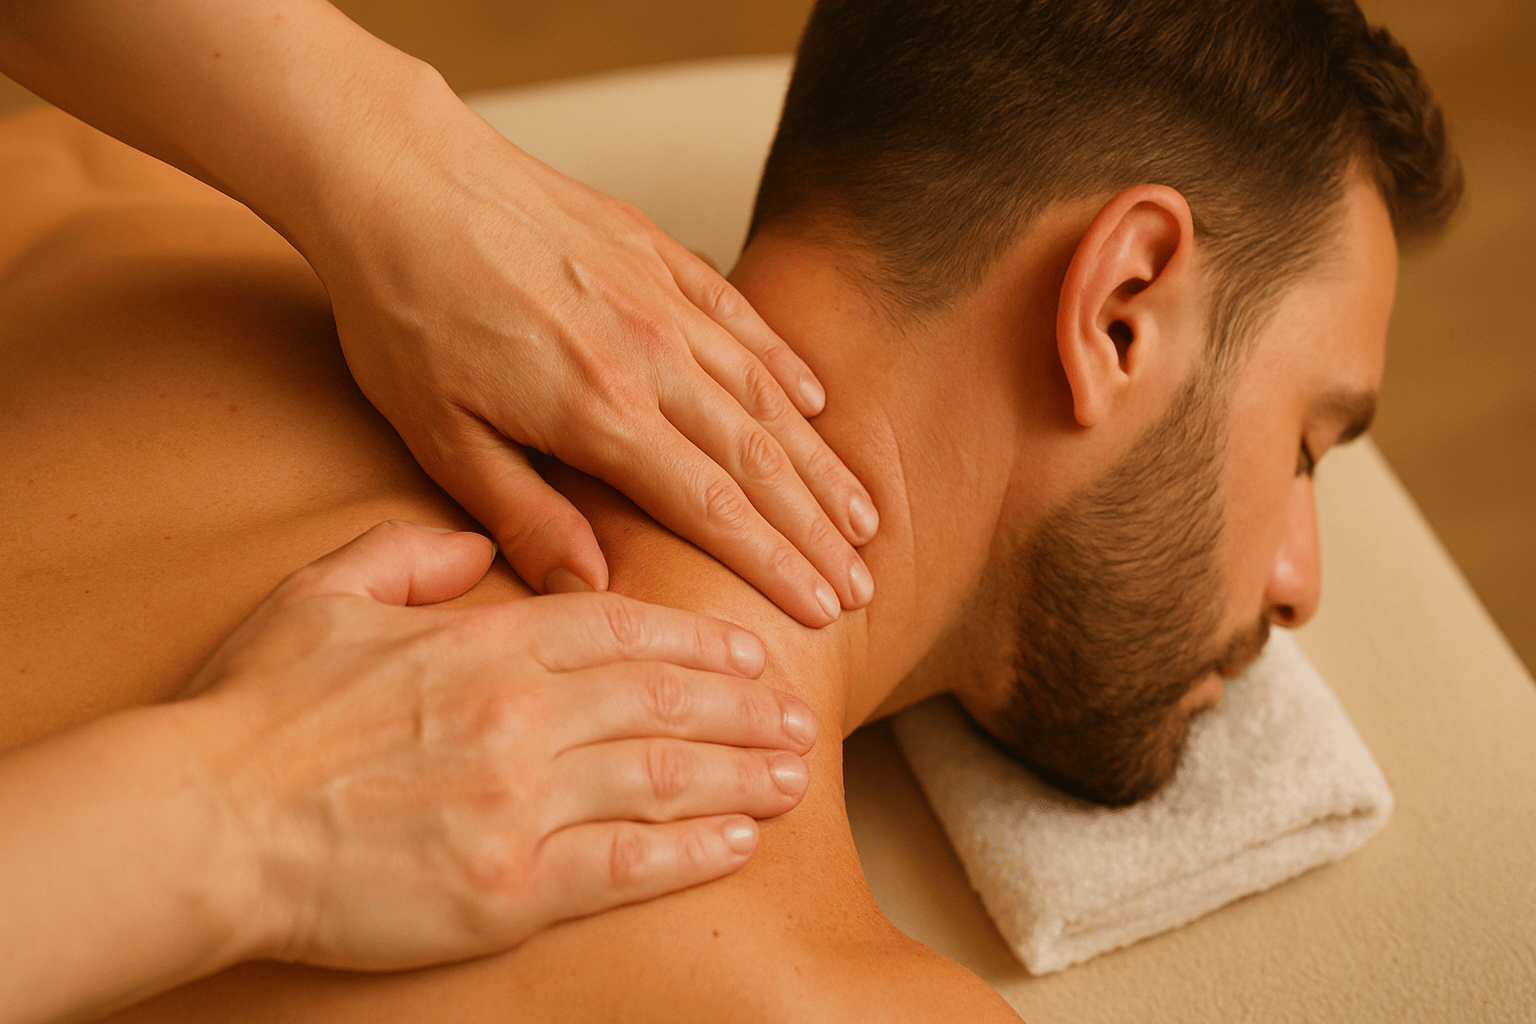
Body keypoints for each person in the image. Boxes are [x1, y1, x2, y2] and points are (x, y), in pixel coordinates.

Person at [0, 0, 1460, 1020]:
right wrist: (228, 814)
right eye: (1314, 442)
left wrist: (373, 140)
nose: (1300, 581)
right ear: (1123, 311)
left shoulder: (125, 184)